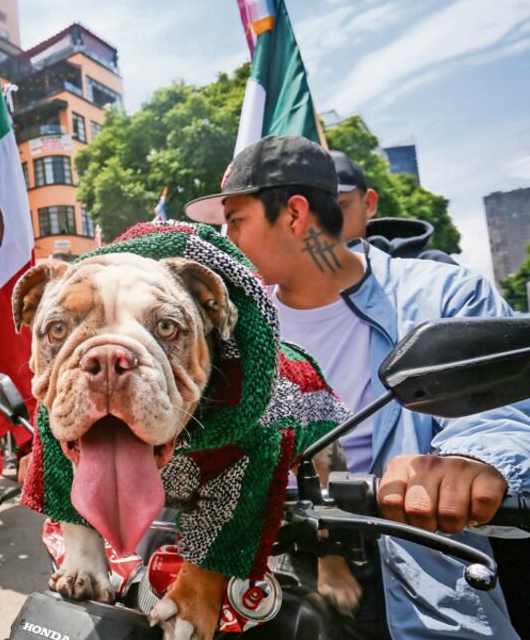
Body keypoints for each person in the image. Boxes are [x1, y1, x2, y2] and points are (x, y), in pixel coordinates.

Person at [185, 135, 530, 640]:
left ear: (296, 215)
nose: (225, 239)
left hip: (417, 559)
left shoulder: (443, 293)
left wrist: (469, 462)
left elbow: (503, 409)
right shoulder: (230, 328)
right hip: (269, 565)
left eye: (236, 220)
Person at [330, 150, 457, 264]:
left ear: (368, 204)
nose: (321, 224)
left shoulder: (429, 268)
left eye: (337, 207)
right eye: (310, 212)